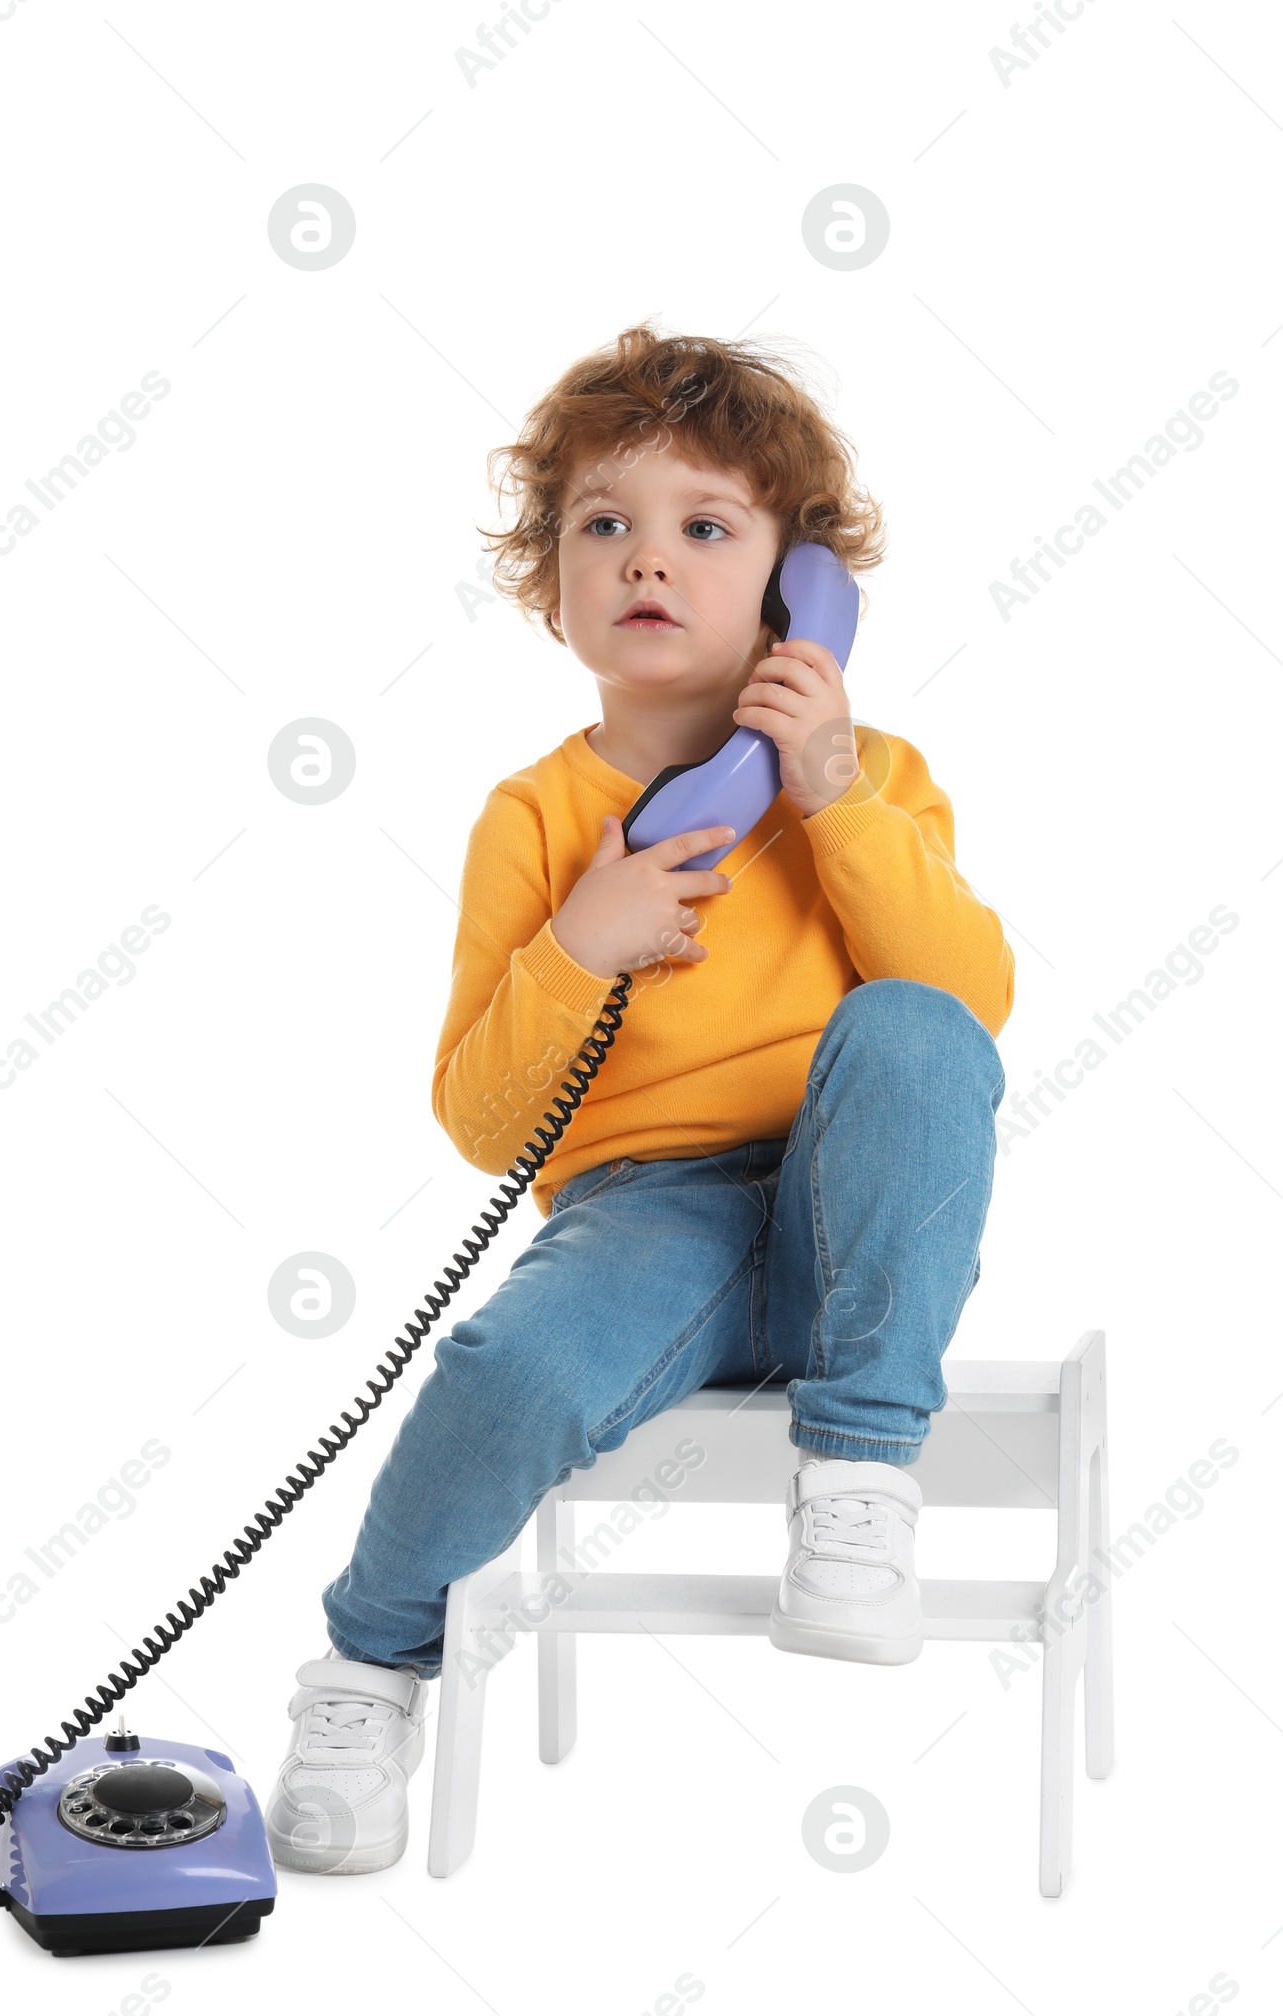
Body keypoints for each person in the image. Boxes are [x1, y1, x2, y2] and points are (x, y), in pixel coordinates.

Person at [266, 323, 1013, 1876]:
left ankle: (861, 1480)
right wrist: (574, 943)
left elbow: (969, 1007)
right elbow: (481, 1121)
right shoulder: (536, 819)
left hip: (856, 1218)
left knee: (909, 1033)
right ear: (553, 580)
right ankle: (366, 1668)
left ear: (802, 587)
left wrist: (828, 795)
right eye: (603, 523)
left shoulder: (876, 777)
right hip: (643, 1218)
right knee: (505, 1369)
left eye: (705, 525)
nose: (647, 558)